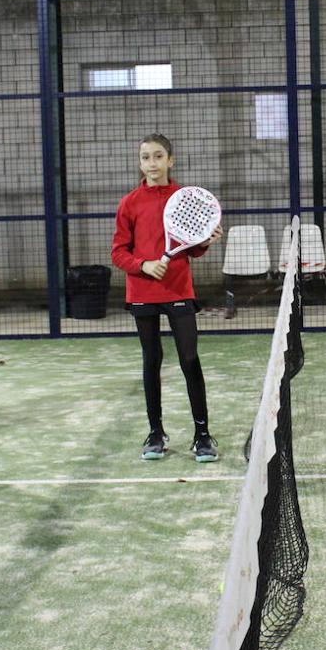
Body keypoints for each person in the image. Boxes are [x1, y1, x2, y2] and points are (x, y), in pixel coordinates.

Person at [111, 134, 223, 462]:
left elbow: (193, 247)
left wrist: (206, 242)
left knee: (189, 359)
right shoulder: (129, 203)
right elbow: (118, 252)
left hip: (178, 289)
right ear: (140, 163)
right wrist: (143, 265)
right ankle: (155, 433)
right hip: (142, 292)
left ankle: (202, 435)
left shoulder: (183, 197)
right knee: (152, 360)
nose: (152, 163)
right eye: (146, 157)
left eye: (158, 156)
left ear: (170, 161)